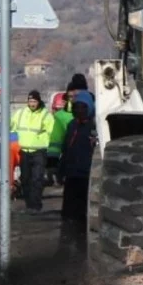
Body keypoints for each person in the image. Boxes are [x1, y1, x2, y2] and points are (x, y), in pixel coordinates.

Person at [57, 99, 97, 255]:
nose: (78, 110)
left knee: (83, 214)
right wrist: (61, 171)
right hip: (72, 175)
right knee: (67, 214)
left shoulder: (94, 127)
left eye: (82, 108)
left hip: (87, 176)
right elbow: (66, 150)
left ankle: (83, 248)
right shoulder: (72, 125)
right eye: (76, 108)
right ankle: (64, 248)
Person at [12, 90, 55, 212]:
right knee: (25, 178)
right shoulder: (20, 114)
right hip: (24, 151)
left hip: (39, 152)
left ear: (39, 101)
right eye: (30, 101)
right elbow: (10, 128)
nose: (32, 104)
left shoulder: (46, 116)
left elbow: (52, 133)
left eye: (34, 101)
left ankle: (35, 205)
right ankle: (29, 204)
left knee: (37, 178)